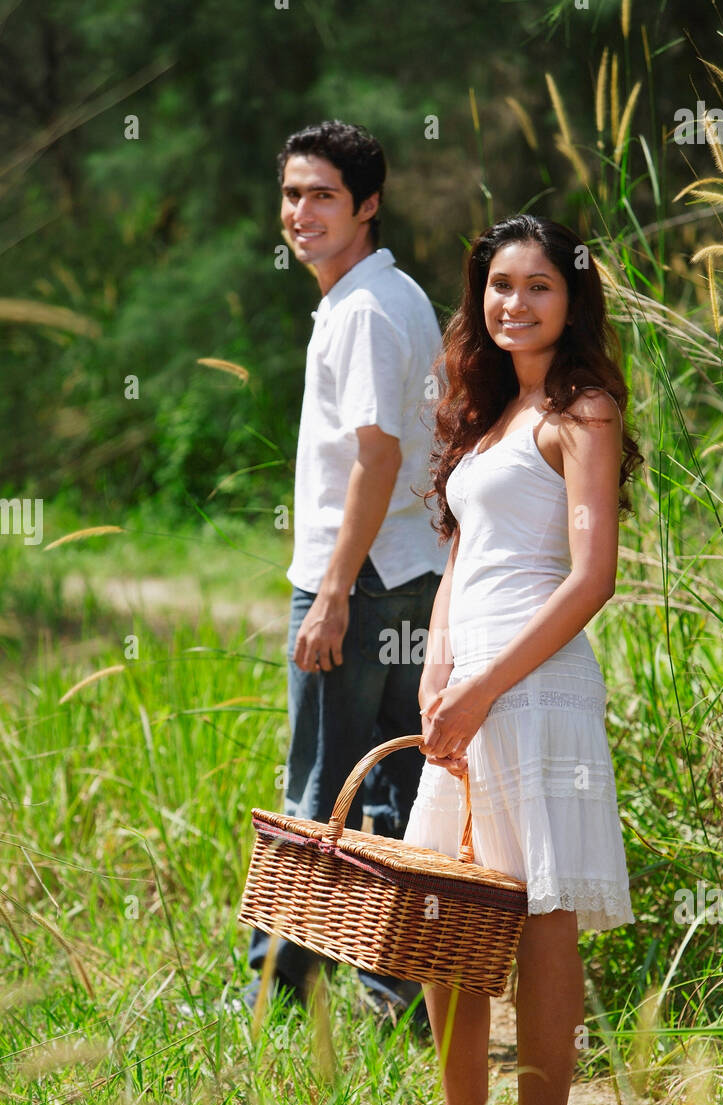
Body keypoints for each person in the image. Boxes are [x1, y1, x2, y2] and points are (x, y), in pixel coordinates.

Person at [401, 213, 642, 1105]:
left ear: (570, 296)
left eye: (537, 286)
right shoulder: (491, 410)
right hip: (462, 692)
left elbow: (591, 578)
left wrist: (483, 685)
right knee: (437, 913)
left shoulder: (581, 409)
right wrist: (434, 672)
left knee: (541, 916)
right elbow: (460, 560)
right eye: (499, 286)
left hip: (534, 690)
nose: (514, 303)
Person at [245, 120, 445, 1022]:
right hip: (407, 573)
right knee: (395, 790)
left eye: (322, 193)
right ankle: (388, 995)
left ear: (367, 204)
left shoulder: (364, 309)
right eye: (292, 193)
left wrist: (329, 592)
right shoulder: (389, 293)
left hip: (357, 583)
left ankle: (278, 995)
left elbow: (376, 455)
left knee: (318, 789)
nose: (301, 211)